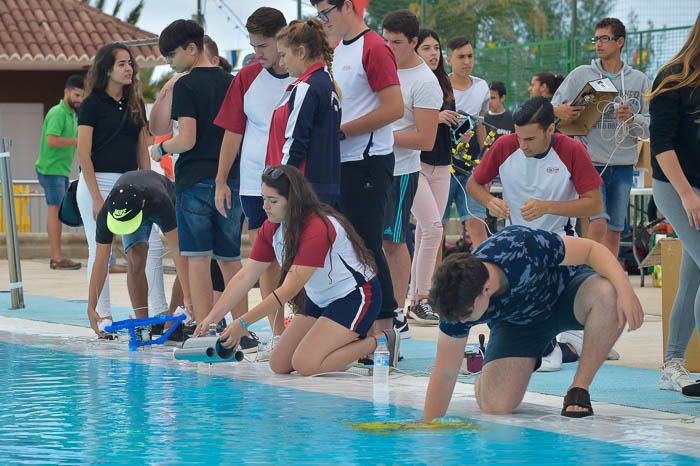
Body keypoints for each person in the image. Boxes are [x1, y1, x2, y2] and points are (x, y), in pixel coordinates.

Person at [195, 165, 400, 375]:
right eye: (263, 198)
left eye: (273, 201)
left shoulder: (316, 228)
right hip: (320, 300)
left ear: (292, 200)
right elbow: (245, 277)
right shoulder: (272, 227)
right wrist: (211, 317)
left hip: (355, 297)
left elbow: (287, 290)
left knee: (306, 364)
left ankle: (380, 341)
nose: (265, 206)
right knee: (279, 364)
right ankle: (335, 345)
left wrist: (243, 323)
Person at [423, 225, 644, 419]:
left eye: (468, 315)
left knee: (609, 293)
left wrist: (625, 289)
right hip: (518, 325)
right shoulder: (455, 301)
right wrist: (429, 426)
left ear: (486, 289)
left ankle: (580, 387)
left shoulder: (520, 246)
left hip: (565, 294)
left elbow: (591, 250)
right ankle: (522, 358)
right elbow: (445, 371)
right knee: (496, 405)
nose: (463, 321)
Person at [469, 96, 608, 372]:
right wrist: (489, 202)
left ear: (550, 129)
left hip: (560, 244)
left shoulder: (572, 150)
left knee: (544, 295)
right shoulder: (505, 146)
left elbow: (594, 203)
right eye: (520, 137)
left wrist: (549, 207)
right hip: (515, 246)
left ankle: (555, 343)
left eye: (530, 139)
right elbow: (475, 183)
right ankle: (526, 341)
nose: (523, 145)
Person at [312, 0, 404, 335]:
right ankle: (356, 326)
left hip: (367, 163)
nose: (323, 21)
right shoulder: (338, 50)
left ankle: (385, 330)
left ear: (348, 6)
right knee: (344, 246)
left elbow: (394, 108)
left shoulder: (374, 47)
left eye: (326, 13)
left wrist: (341, 131)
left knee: (366, 246)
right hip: (341, 164)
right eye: (319, 15)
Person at [152, 20, 241, 328]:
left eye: (171, 55)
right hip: (230, 179)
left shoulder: (187, 85)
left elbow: (186, 138)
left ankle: (204, 326)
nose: (169, 62)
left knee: (198, 258)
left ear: (192, 48)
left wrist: (161, 150)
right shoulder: (232, 82)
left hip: (193, 182)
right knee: (231, 259)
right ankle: (240, 329)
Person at [213, 8, 293, 339]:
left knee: (297, 258)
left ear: (281, 40)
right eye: (252, 45)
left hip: (294, 184)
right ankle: (277, 332)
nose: (257, 53)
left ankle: (300, 323)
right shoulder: (246, 78)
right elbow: (233, 132)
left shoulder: (306, 76)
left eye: (263, 45)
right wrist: (221, 180)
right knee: (266, 259)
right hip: (252, 184)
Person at [77, 42, 167, 321]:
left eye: (130, 63)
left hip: (132, 183)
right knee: (99, 248)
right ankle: (102, 315)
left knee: (150, 245)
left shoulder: (134, 102)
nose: (129, 68)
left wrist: (147, 181)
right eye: (122, 64)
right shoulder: (91, 104)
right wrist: (96, 196)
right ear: (107, 69)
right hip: (99, 182)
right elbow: (84, 153)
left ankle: (158, 313)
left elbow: (142, 147)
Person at [552, 18, 651, 256]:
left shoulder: (640, 80)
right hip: (590, 163)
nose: (598, 44)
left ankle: (608, 283)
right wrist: (560, 111)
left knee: (615, 230)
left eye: (605, 38)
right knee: (597, 223)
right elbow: (551, 107)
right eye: (596, 39)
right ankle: (591, 277)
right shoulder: (581, 75)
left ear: (620, 42)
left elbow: (650, 127)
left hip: (624, 164)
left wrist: (631, 119)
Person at [648, 12, 700, 399]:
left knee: (693, 274)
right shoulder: (673, 77)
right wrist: (686, 195)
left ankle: (672, 364)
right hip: (675, 185)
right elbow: (662, 145)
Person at [380, 12, 442, 331]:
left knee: (394, 241)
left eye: (397, 42)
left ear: (413, 42)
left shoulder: (424, 82)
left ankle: (397, 310)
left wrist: (381, 136)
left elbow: (426, 139)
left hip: (401, 171)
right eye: (385, 40)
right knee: (370, 241)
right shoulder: (380, 66)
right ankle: (379, 307)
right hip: (370, 167)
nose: (389, 47)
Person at [399, 28, 456, 336]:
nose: (433, 53)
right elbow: (411, 123)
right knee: (433, 229)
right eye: (427, 47)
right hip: (415, 164)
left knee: (427, 232)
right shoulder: (410, 81)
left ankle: (419, 300)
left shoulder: (442, 83)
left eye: (436, 47)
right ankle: (419, 298)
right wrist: (437, 118)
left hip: (442, 165)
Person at [86, 171, 191, 336]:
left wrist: (189, 300)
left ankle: (172, 320)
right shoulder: (107, 213)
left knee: (188, 257)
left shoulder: (161, 200)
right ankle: (143, 324)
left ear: (141, 205)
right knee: (136, 256)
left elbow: (178, 251)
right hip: (134, 205)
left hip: (164, 198)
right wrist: (91, 306)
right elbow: (100, 262)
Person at [266, 18, 341, 204]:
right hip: (323, 184)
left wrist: (278, 181)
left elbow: (296, 141)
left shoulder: (307, 87)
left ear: (301, 52)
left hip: (303, 186)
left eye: (283, 55)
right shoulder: (326, 83)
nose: (281, 63)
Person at [442, 36, 490, 250]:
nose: (467, 61)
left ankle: (485, 276)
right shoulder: (439, 85)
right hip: (442, 166)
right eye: (461, 56)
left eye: (470, 56)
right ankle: (432, 282)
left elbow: (481, 124)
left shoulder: (482, 87)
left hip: (471, 168)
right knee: (436, 229)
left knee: (476, 223)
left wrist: (486, 162)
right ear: (449, 59)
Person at [35, 74, 84, 270]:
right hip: (51, 169)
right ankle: (56, 257)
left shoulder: (72, 114)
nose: (79, 99)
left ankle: (58, 256)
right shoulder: (57, 113)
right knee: (55, 211)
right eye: (76, 95)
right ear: (66, 92)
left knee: (58, 211)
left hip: (60, 170)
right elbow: (51, 140)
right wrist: (78, 141)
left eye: (82, 96)